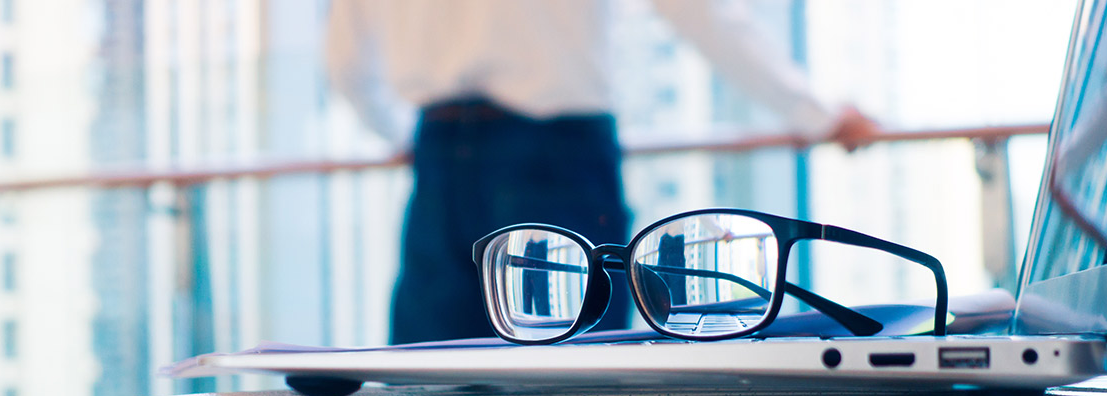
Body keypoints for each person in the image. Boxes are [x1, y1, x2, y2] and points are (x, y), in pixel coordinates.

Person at [325, 0, 880, 345]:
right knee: (571, 386)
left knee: (426, 382)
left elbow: (345, 64)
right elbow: (700, 11)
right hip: (555, 154)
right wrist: (815, 115)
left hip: (439, 155)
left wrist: (400, 137)